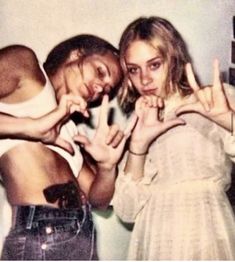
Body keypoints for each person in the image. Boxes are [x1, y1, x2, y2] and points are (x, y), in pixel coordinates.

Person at [0, 35, 133, 260]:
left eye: (106, 89)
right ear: (77, 53)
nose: (100, 88)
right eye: (100, 72)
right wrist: (31, 127)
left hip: (83, 238)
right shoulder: (26, 64)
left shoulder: (70, 131)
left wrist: (107, 167)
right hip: (40, 236)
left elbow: (99, 200)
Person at [112, 16, 235, 260]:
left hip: (206, 230)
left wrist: (228, 121)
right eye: (134, 70)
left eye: (154, 64)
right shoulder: (138, 120)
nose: (144, 79)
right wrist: (138, 146)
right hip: (154, 239)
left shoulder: (214, 99)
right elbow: (126, 211)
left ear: (173, 58)